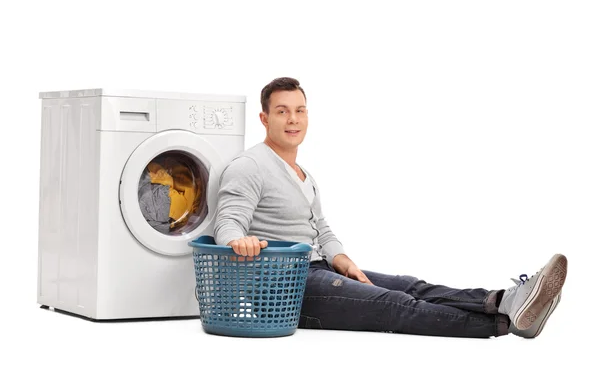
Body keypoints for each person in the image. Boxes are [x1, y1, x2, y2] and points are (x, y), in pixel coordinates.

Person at [213, 77, 567, 338]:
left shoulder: (304, 174)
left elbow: (320, 227)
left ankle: (505, 299)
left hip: (319, 270)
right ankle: (504, 324)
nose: (293, 119)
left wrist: (344, 261)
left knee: (409, 285)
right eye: (282, 111)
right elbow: (227, 220)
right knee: (394, 303)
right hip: (284, 290)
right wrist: (236, 241)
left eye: (300, 110)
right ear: (264, 119)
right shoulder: (250, 166)